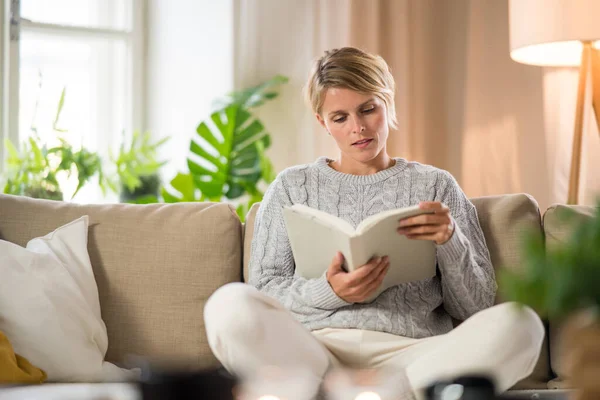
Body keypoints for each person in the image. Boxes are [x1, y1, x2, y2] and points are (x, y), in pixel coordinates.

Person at [204, 47, 544, 398]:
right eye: (340, 118)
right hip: (313, 353)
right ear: (323, 122)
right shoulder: (292, 187)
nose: (359, 127)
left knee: (523, 324)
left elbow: (476, 307)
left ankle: (380, 393)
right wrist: (330, 291)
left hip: (412, 355)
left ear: (388, 104)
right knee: (228, 305)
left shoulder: (436, 185)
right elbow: (265, 292)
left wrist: (450, 240)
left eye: (368, 109)